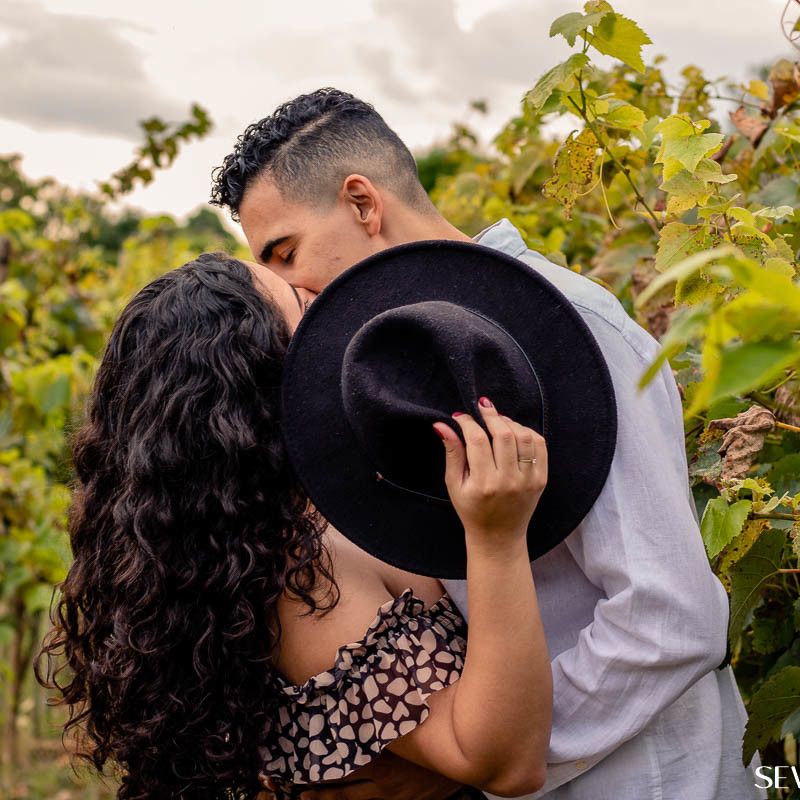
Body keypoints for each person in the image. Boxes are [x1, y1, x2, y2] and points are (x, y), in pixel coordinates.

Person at [209, 87, 768, 800]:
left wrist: (482, 755)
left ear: (362, 203)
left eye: (286, 253)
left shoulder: (568, 330)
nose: (291, 289)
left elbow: (671, 614)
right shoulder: (397, 365)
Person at [34, 252, 553, 799]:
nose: (330, 321)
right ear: (261, 377)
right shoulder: (301, 574)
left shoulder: (249, 537)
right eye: (305, 309)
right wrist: (497, 539)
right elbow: (505, 763)